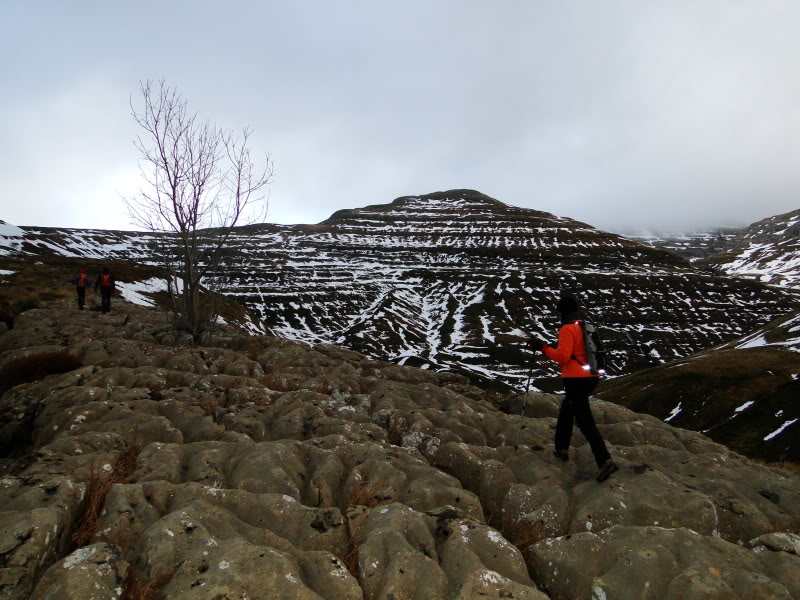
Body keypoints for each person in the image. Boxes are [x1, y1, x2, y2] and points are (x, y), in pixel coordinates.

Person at [529, 294, 618, 483]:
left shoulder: (567, 329)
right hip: (590, 377)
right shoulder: (584, 326)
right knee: (567, 409)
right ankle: (561, 448)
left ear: (562, 312)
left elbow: (563, 357)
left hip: (575, 379)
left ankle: (605, 461)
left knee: (585, 421)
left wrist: (543, 347)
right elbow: (576, 351)